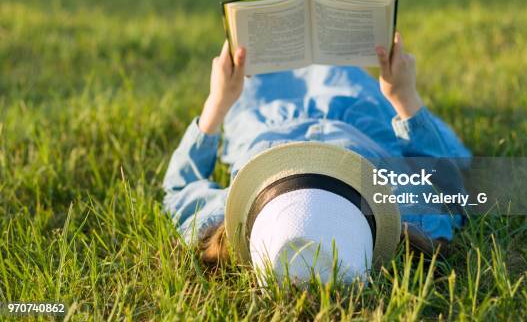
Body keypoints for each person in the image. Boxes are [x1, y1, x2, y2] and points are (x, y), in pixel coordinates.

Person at [163, 32, 471, 283]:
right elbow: (448, 187)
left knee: (268, 62)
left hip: (264, 112)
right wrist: (404, 97)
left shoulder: (223, 219)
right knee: (336, 61)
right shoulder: (413, 219)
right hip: (358, 110)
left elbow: (180, 188)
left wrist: (218, 103)